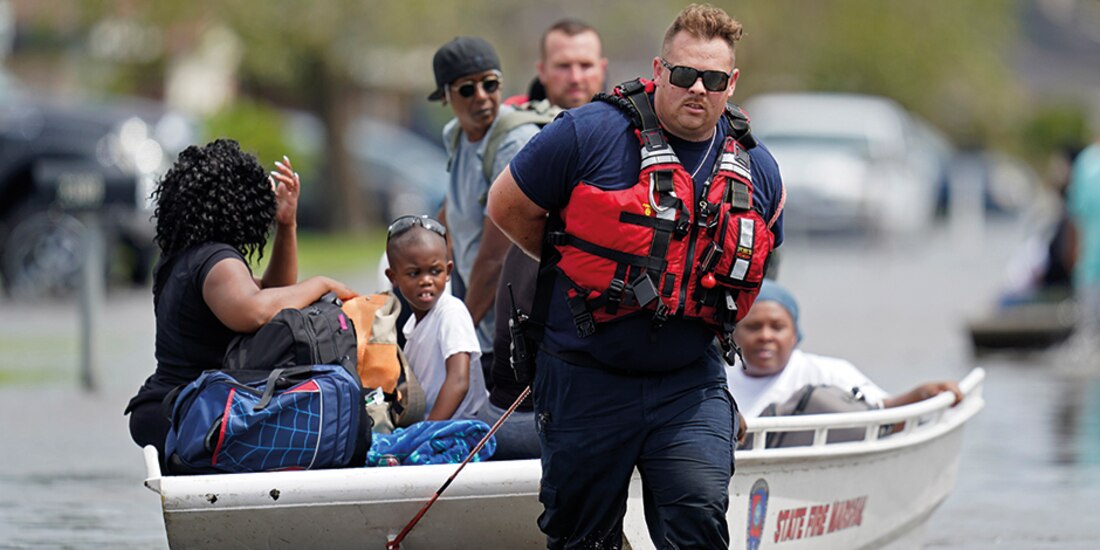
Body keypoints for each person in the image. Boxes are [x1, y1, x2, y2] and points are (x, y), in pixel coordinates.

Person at [488, 5, 785, 547]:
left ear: (731, 83)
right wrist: (571, 260)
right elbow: (506, 205)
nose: (697, 88)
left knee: (697, 513)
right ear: (658, 69)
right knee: (582, 536)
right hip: (585, 373)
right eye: (683, 74)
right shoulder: (587, 133)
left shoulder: (757, 167)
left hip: (688, 381)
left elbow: (762, 262)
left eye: (713, 79)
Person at [124, 139, 356, 466]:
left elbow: (275, 293)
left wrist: (286, 225)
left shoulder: (190, 258)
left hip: (179, 404)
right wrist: (320, 284)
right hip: (190, 410)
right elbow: (255, 311)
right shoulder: (217, 263)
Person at [476, 19, 610, 461]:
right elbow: (493, 252)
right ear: (543, 69)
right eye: (564, 65)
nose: (576, 76)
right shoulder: (523, 137)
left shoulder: (625, 134)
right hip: (504, 338)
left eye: (586, 64)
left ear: (602, 68)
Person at [429, 36, 541, 388]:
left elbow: (494, 258)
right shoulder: (456, 136)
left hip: (508, 333)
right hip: (478, 323)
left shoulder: (514, 142)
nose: (481, 96)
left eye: (490, 84)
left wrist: (455, 335)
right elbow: (455, 207)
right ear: (445, 96)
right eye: (466, 89)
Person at [728, 280, 963, 418]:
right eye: (753, 327)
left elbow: (882, 411)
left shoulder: (826, 372)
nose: (765, 336)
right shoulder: (716, 382)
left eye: (777, 327)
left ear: (794, 334)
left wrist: (922, 393)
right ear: (733, 333)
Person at [385, 215, 487, 421]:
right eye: (414, 273)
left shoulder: (451, 312)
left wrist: (427, 431)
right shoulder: (411, 325)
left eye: (435, 271)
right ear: (393, 277)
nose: (426, 281)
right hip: (435, 424)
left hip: (464, 426)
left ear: (448, 271)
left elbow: (459, 381)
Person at [1067, 135, 1100, 346]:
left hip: (1088, 265)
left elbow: (1074, 217)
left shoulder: (1085, 161)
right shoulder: (1087, 161)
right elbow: (1075, 217)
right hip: (1090, 264)